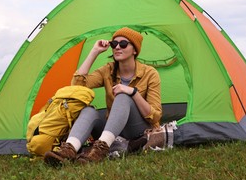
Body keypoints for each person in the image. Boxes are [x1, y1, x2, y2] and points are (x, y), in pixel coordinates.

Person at [44, 27, 162, 165]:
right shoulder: (108, 70)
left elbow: (155, 116)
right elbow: (77, 86)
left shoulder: (150, 73)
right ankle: (68, 150)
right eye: (114, 44)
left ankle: (100, 150)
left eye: (123, 44)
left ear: (134, 50)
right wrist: (94, 52)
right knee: (89, 111)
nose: (117, 47)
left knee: (123, 96)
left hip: (138, 128)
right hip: (114, 130)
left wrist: (133, 93)